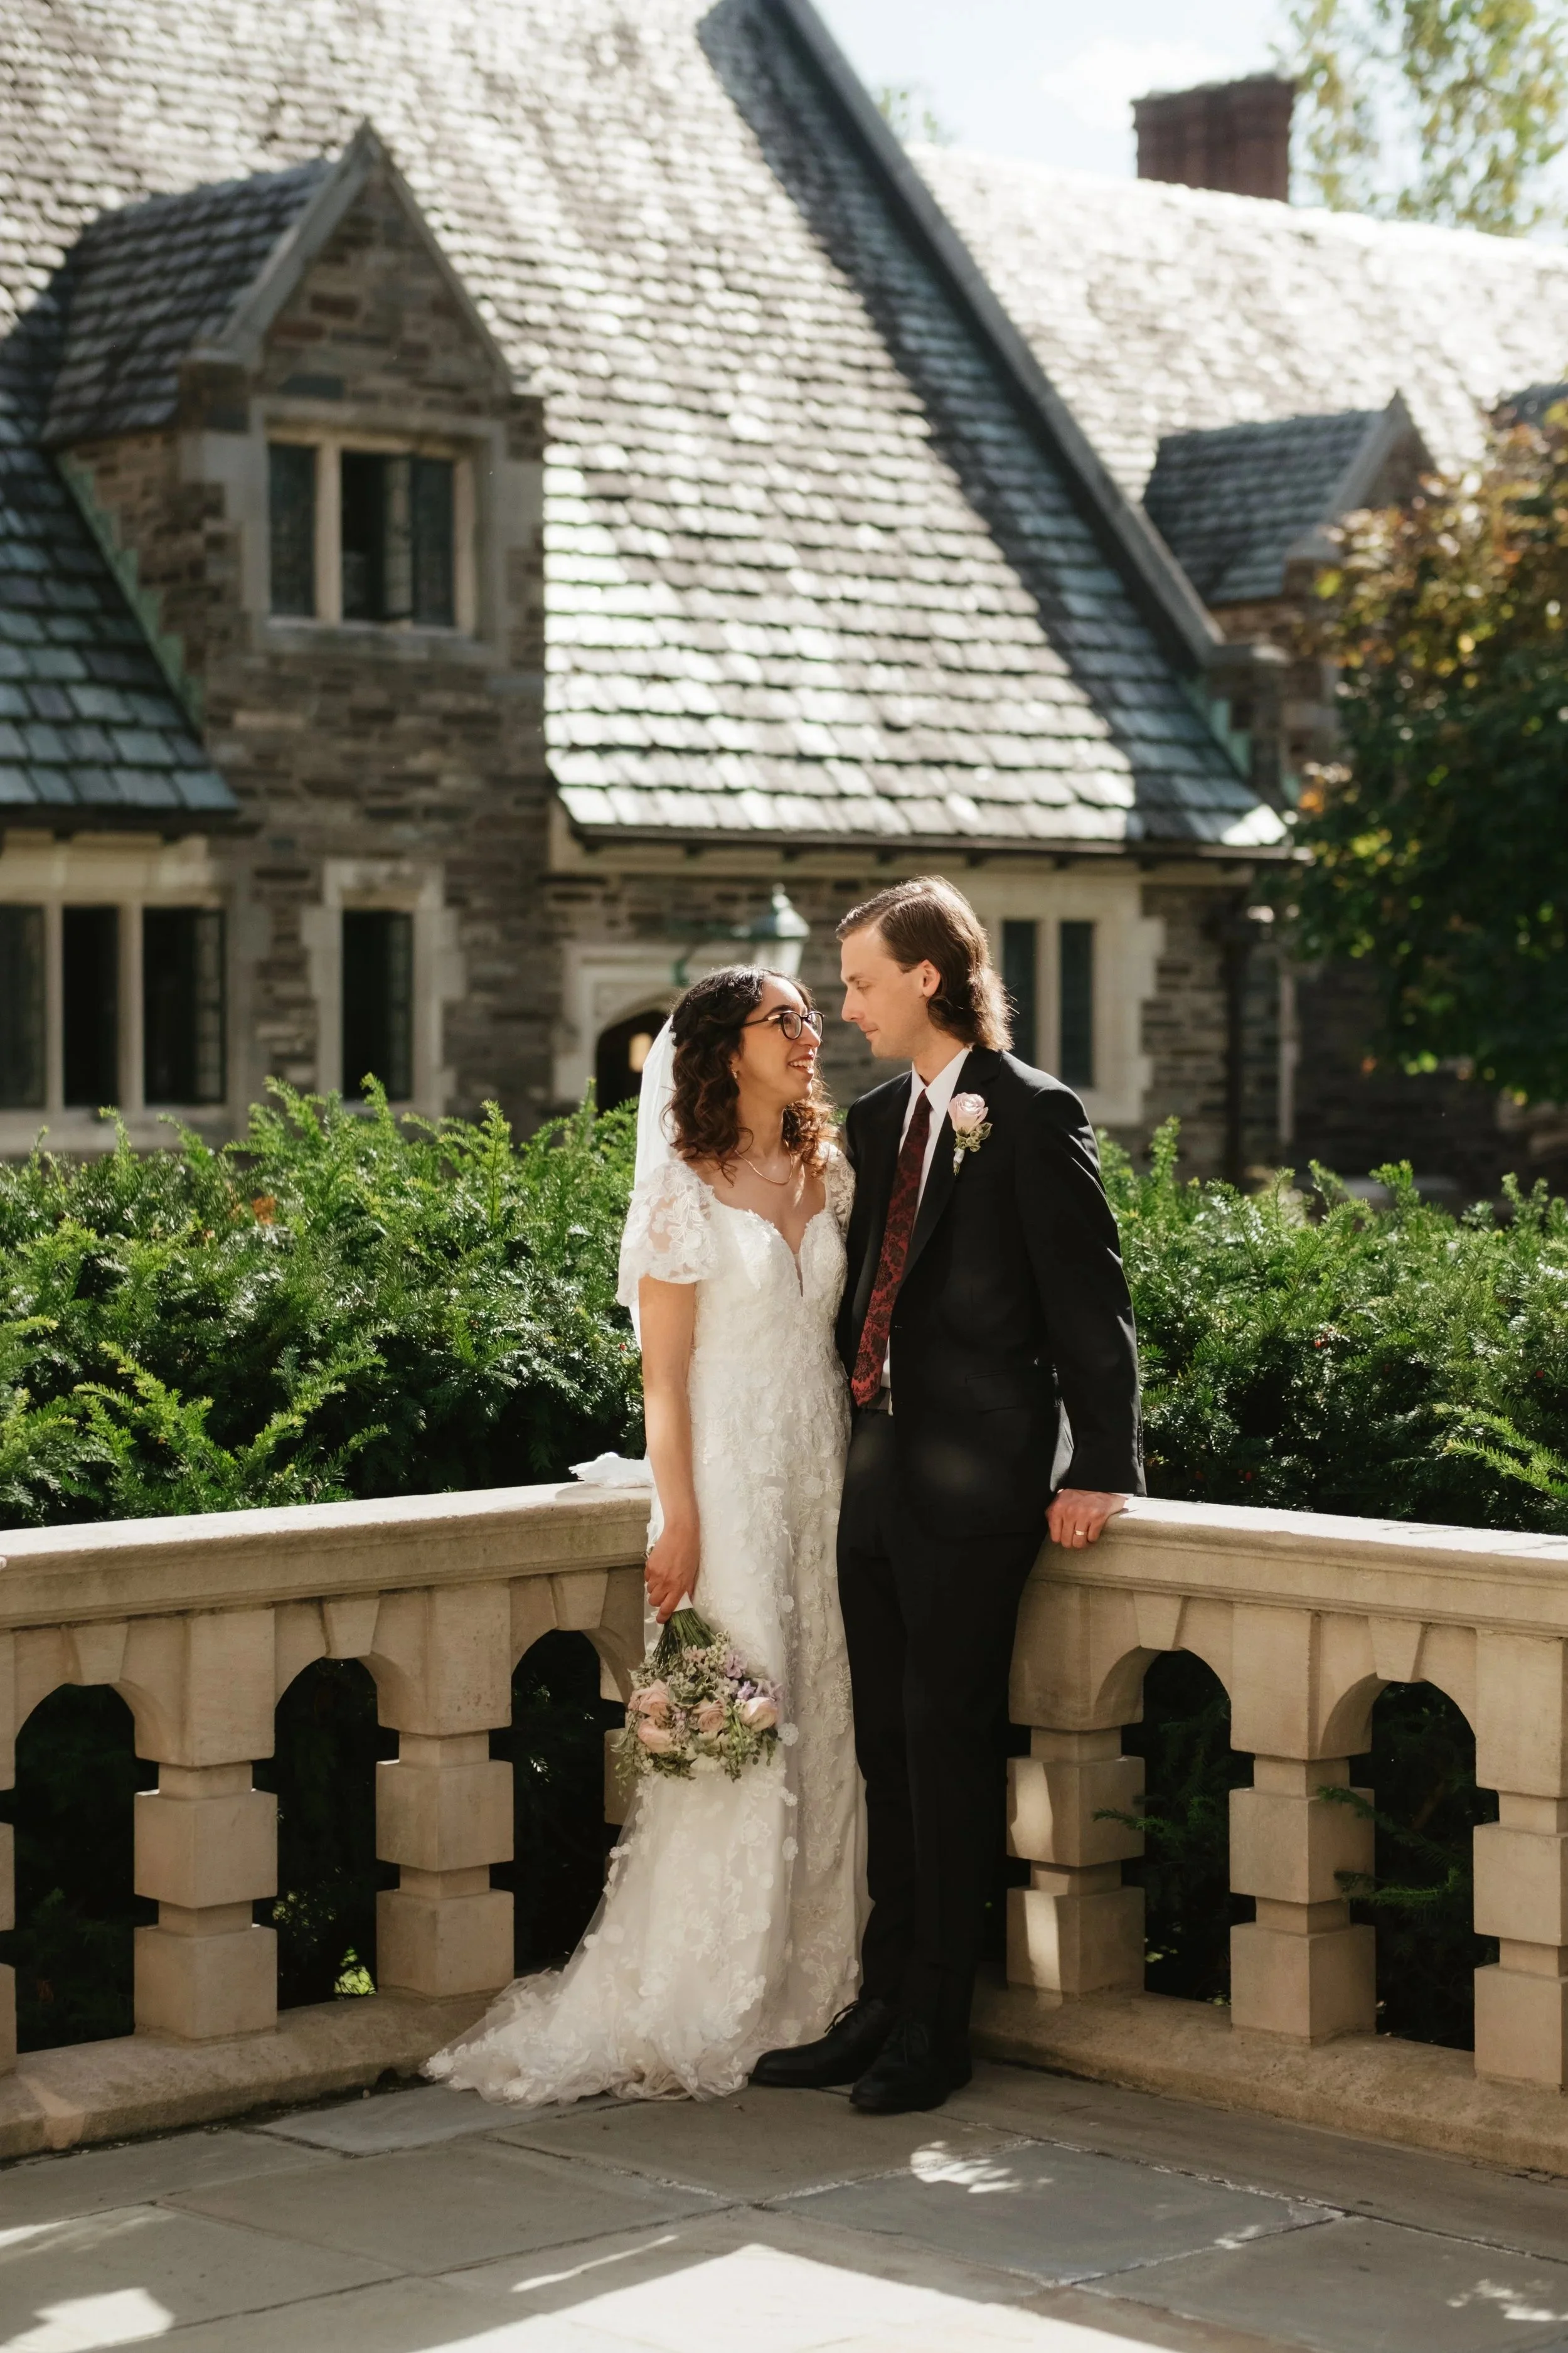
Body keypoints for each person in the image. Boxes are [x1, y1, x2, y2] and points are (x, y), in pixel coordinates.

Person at [427, 966, 863, 2104]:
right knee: (737, 1725)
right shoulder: (682, 1186)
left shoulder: (829, 1165)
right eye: (786, 1019)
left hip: (822, 1473)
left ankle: (818, 1985)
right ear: (725, 1047)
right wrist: (677, 1514)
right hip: (723, 1475)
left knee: (823, 1715)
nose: (811, 1032)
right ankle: (707, 1990)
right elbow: (662, 1379)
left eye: (815, 1014)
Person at [752, 876, 1143, 2115]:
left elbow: (1091, 1303)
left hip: (981, 1492)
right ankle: (876, 2004)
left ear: (929, 976)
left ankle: (937, 2026)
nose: (848, 1006)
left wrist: (1100, 1464)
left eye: (862, 981)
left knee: (947, 1742)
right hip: (872, 1482)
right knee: (884, 1747)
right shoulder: (875, 1125)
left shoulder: (1032, 1115)